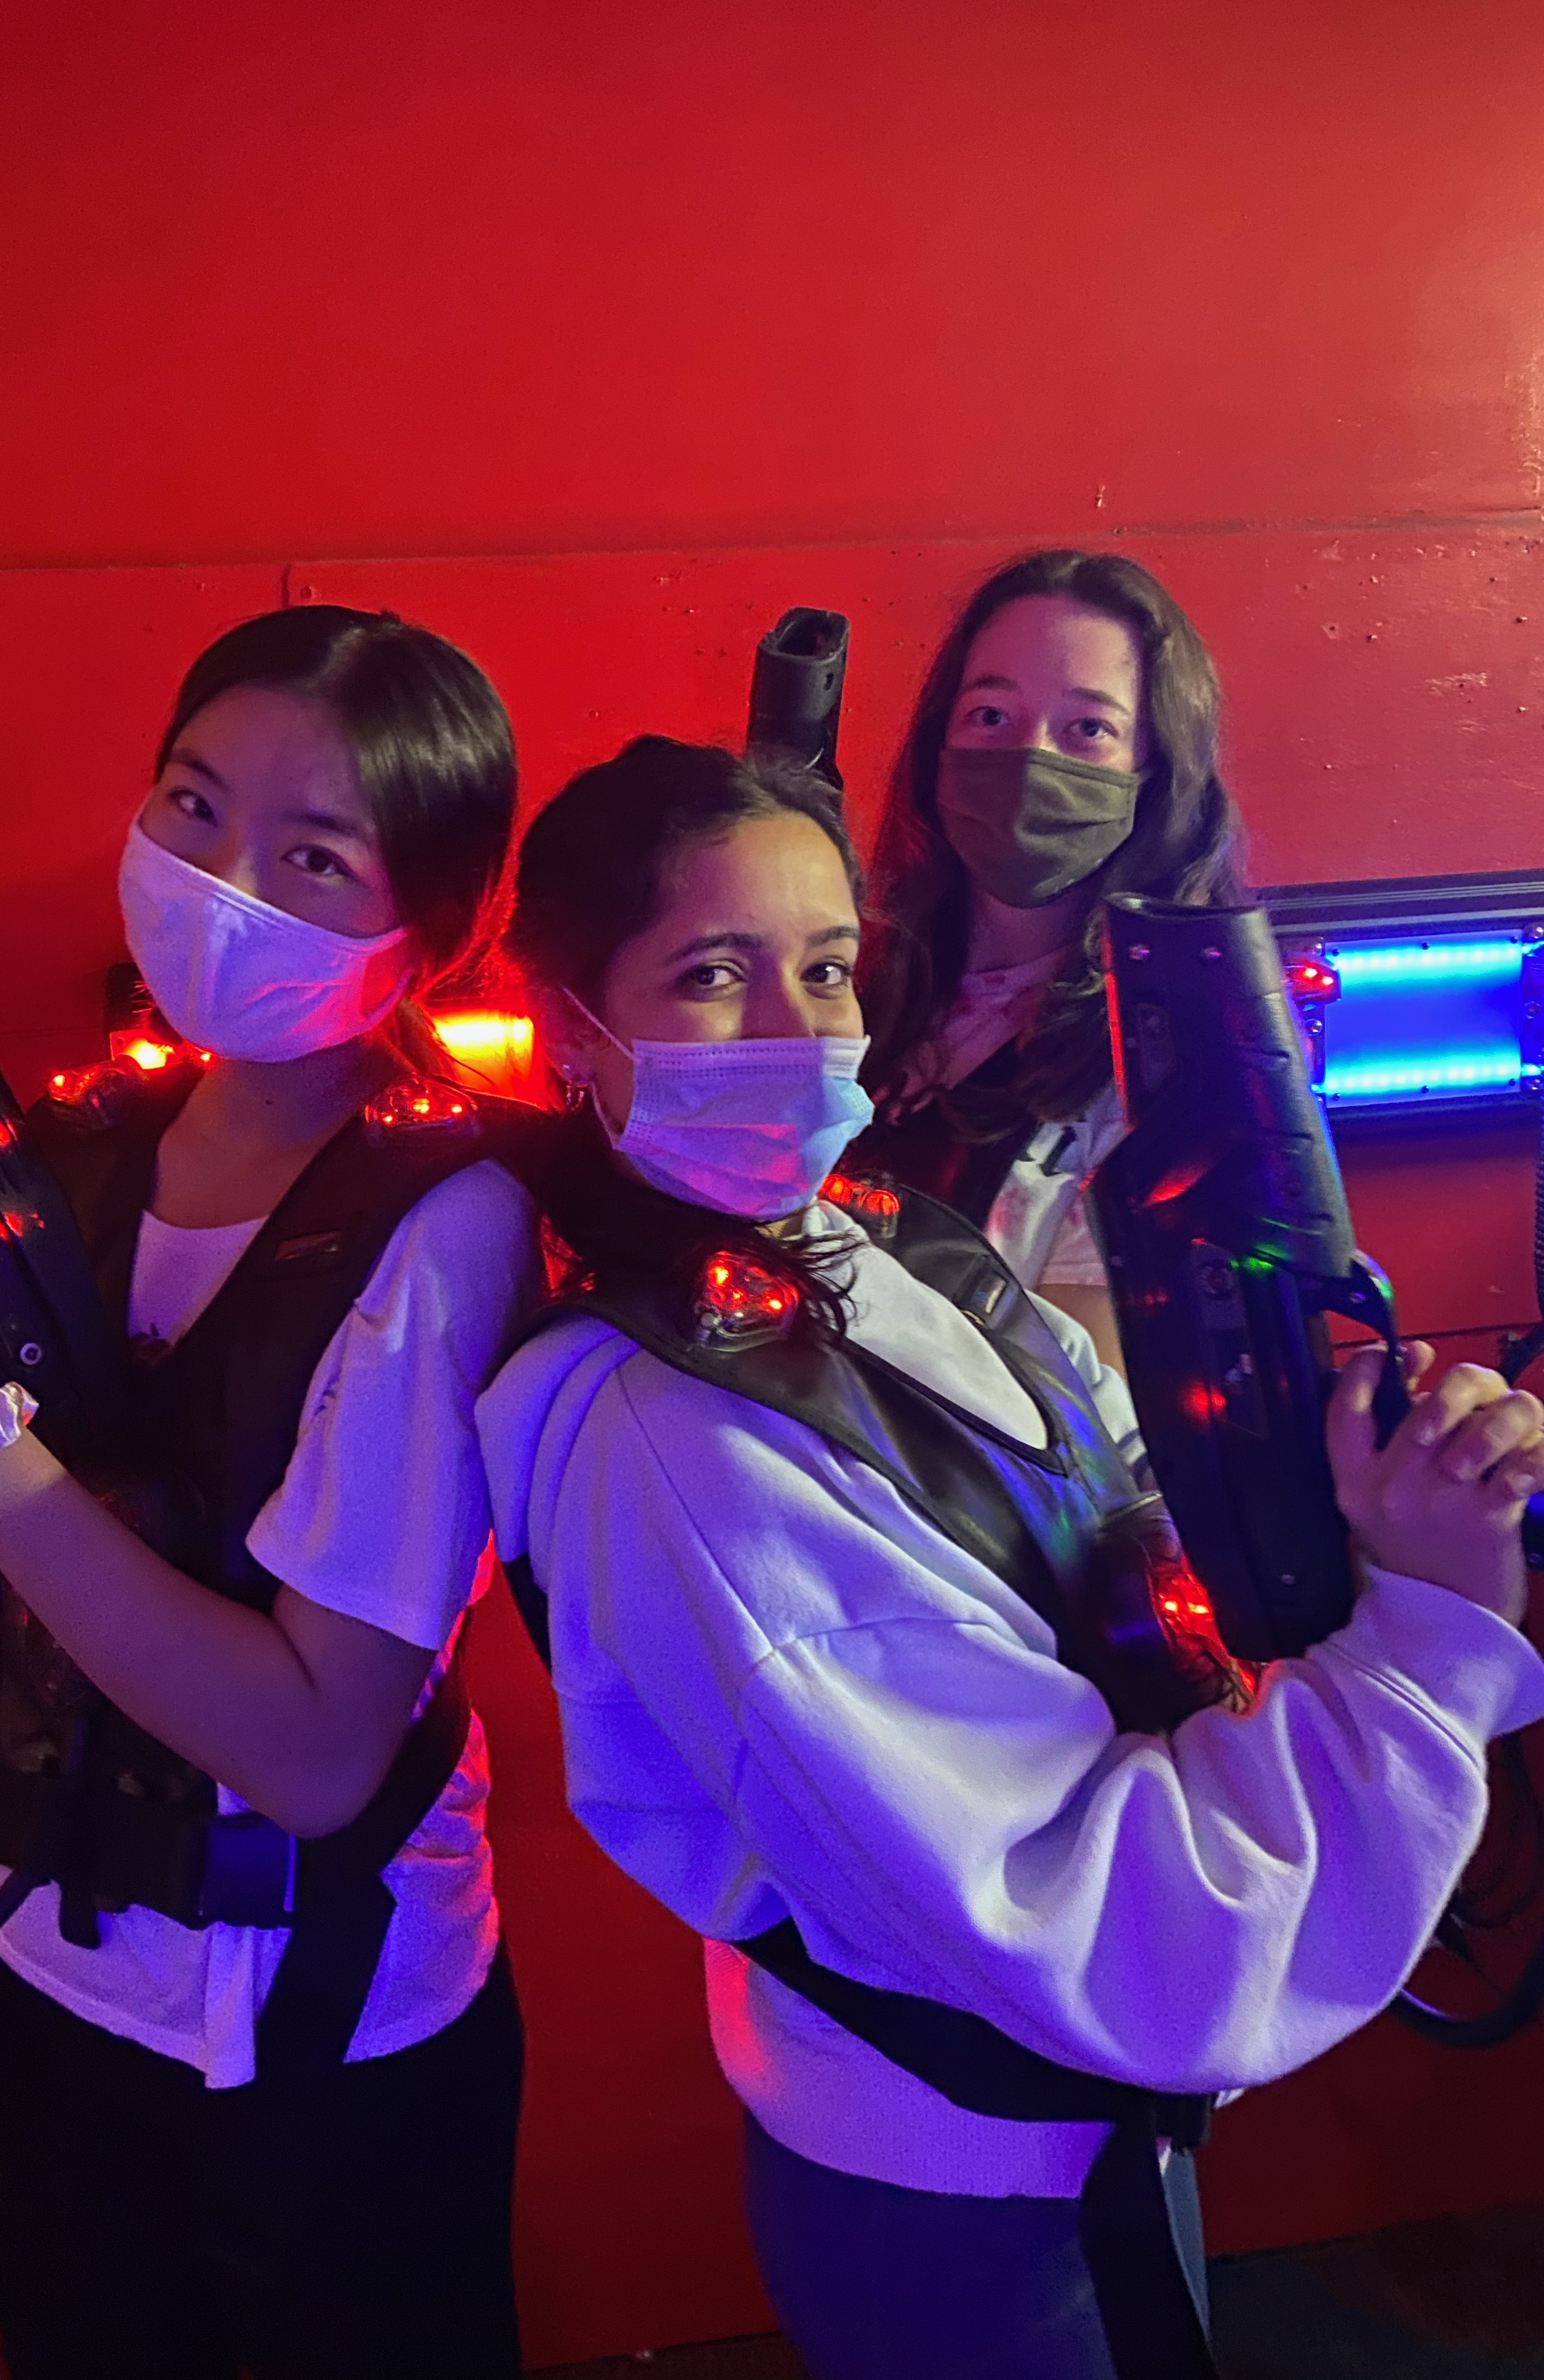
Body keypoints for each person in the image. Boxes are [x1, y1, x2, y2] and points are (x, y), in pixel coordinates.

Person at [476, 733, 1544, 2380]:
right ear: (573, 1029)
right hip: (962, 2188)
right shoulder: (677, 1437)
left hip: (1074, 2142)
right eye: (711, 975)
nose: (795, 1031)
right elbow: (1119, 1926)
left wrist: (1368, 1506)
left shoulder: (879, 1244)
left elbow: (1117, 1508)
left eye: (825, 966)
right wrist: (1424, 1636)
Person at [0, 606, 540, 2380]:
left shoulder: (443, 1226)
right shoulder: (86, 1154)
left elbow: (317, 1751)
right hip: (59, 1960)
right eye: (192, 806)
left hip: (322, 2030)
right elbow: (12, 1597)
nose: (221, 883)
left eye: (313, 854)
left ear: (436, 924)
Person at [856, 548, 1244, 1371]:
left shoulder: (1166, 1067)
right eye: (991, 715)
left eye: (1088, 730)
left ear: (1155, 770)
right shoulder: (852, 986)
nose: (1030, 759)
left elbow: (1072, 1404)